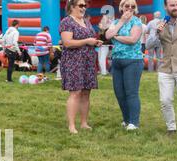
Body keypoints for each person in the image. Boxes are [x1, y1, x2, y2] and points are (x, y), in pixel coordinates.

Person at [60, 0, 102, 134]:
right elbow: (67, 43)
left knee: (86, 93)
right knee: (76, 92)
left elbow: (88, 39)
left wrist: (94, 42)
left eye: (85, 5)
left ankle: (84, 123)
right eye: (81, 5)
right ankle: (72, 126)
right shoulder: (67, 21)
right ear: (72, 6)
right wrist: (86, 41)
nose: (84, 8)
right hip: (73, 61)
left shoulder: (86, 21)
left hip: (88, 62)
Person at [106, 0, 143, 131]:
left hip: (133, 61)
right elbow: (107, 35)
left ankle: (134, 122)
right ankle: (126, 119)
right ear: (121, 7)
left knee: (131, 92)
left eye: (133, 6)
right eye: (127, 5)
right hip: (117, 61)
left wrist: (116, 36)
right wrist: (121, 22)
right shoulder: (115, 22)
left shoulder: (137, 22)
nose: (130, 8)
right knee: (119, 93)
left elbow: (132, 40)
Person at [157, 0, 177, 137]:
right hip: (165, 67)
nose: (176, 7)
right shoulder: (160, 23)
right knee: (165, 100)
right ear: (165, 7)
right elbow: (149, 45)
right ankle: (171, 128)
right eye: (172, 5)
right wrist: (157, 32)